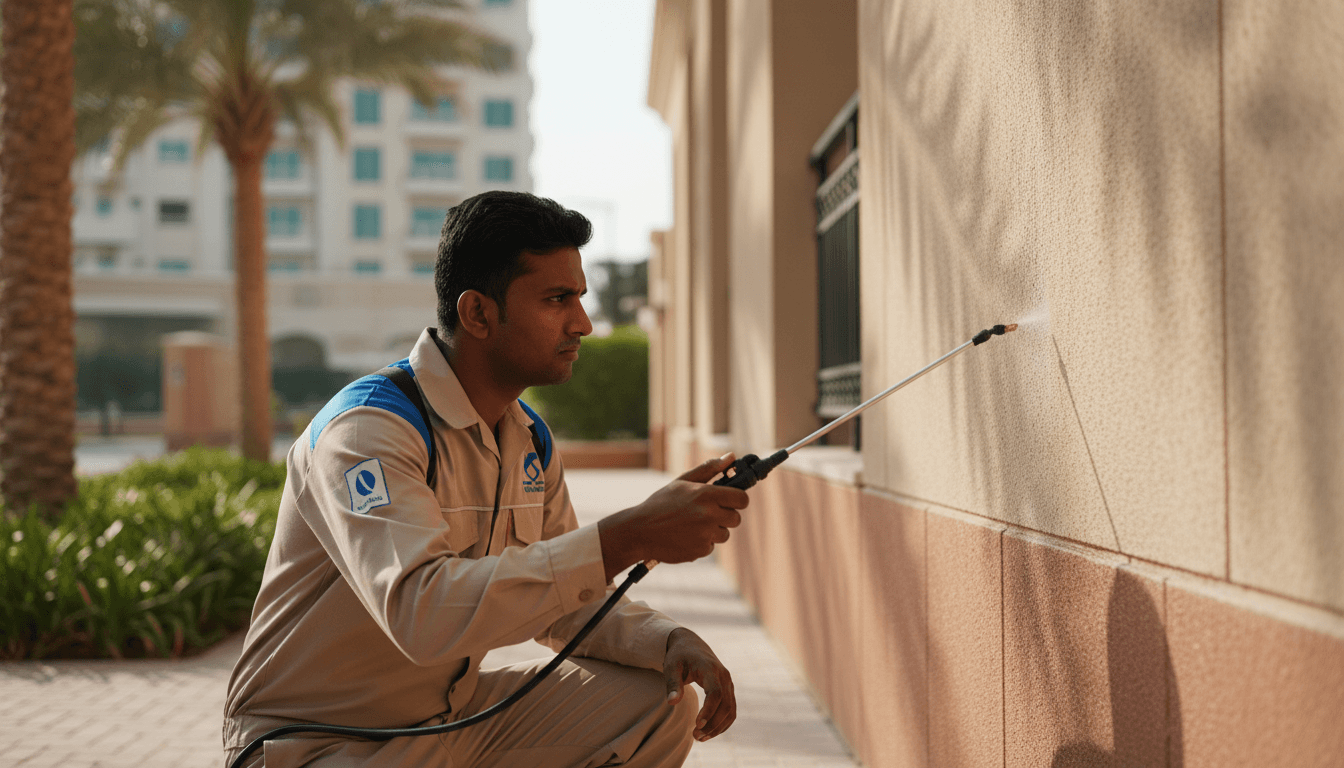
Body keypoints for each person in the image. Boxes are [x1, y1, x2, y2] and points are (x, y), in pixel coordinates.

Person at [222, 191, 749, 768]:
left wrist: (667, 640)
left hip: (449, 728)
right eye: (556, 299)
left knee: (655, 703)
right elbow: (420, 615)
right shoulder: (368, 431)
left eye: (579, 297)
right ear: (477, 313)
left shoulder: (527, 440)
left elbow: (564, 603)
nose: (584, 323)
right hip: (319, 744)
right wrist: (627, 536)